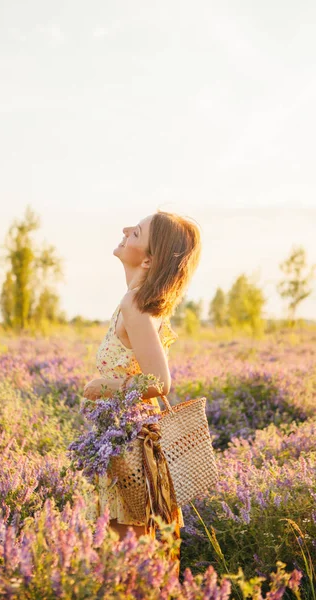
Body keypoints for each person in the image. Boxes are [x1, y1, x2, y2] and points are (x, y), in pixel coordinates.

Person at [83, 209, 202, 544]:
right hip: (125, 441)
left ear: (149, 260)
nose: (124, 230)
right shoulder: (136, 302)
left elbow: (160, 382)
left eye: (135, 232)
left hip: (133, 447)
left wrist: (108, 386)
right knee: (135, 553)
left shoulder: (135, 305)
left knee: (130, 555)